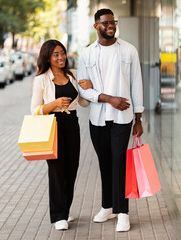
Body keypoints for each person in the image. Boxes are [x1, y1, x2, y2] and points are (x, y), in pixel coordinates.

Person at [77, 8, 144, 232]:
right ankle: (107, 206)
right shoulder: (87, 54)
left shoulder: (128, 50)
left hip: (122, 118)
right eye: (105, 23)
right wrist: (108, 98)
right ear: (96, 26)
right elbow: (83, 89)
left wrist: (139, 118)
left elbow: (137, 84)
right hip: (97, 119)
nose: (110, 26)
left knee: (119, 162)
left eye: (112, 22)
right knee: (104, 163)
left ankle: (123, 212)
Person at [30, 40, 92, 230]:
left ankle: (65, 209)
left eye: (62, 53)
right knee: (57, 170)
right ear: (48, 58)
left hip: (72, 124)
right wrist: (54, 103)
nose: (61, 57)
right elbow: (35, 110)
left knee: (72, 168)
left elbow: (83, 103)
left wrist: (88, 88)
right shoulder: (41, 79)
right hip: (52, 125)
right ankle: (58, 216)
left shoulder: (72, 75)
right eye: (56, 54)